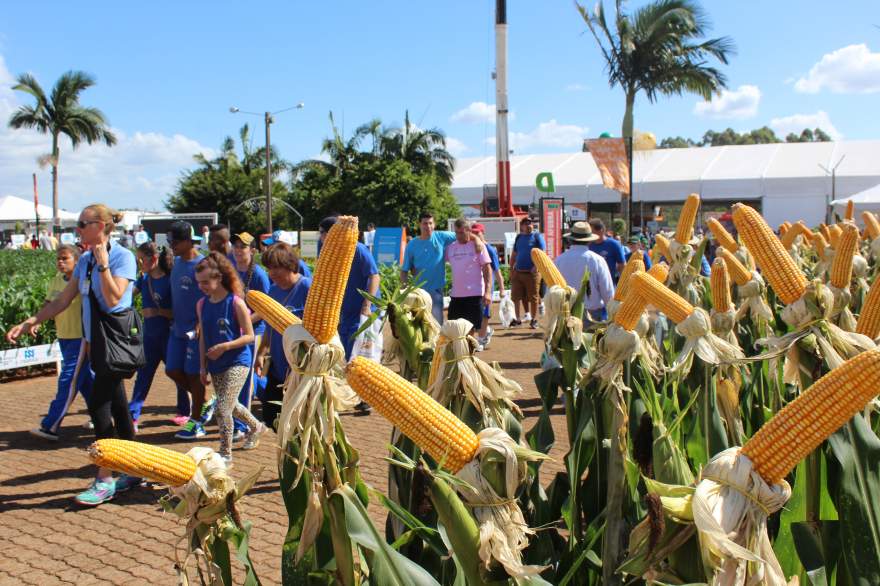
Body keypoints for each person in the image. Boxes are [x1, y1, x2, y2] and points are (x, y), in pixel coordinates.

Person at [7, 203, 139, 505]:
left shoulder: (122, 257)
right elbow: (63, 300)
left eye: (83, 223)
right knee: (118, 407)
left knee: (98, 405)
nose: (78, 228)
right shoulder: (85, 261)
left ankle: (105, 477)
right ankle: (134, 468)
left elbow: (115, 298)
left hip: (116, 345)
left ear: (101, 226)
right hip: (96, 346)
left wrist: (104, 265)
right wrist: (31, 321)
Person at [195, 253, 266, 464]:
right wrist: (202, 366)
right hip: (216, 363)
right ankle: (257, 426)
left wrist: (225, 346)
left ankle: (225, 453)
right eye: (199, 283)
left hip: (238, 361)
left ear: (220, 277)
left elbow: (250, 335)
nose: (202, 287)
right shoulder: (201, 304)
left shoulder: (236, 302)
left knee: (223, 407)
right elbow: (203, 338)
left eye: (206, 282)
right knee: (232, 405)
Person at [28, 244, 94, 440]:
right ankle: (101, 416)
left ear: (77, 261)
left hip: (80, 338)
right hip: (64, 336)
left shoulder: (83, 282)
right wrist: (36, 321)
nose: (60, 262)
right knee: (85, 382)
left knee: (68, 380)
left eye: (65, 258)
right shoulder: (57, 280)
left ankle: (51, 425)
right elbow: (50, 303)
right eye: (58, 258)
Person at [128, 242, 189, 430]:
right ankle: (133, 416)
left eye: (141, 259)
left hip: (170, 336)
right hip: (150, 338)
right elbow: (127, 296)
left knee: (177, 373)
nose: (139, 263)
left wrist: (158, 312)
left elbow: (180, 310)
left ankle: (185, 411)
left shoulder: (171, 280)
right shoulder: (143, 279)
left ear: (153, 259)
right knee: (143, 376)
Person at [253, 243, 311, 428]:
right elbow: (270, 326)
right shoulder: (273, 291)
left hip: (300, 371)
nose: (272, 273)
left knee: (299, 423)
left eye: (276, 267)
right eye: (269, 269)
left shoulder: (307, 288)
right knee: (271, 418)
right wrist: (261, 352)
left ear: (289, 264)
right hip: (278, 368)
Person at [165, 221, 213, 440]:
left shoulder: (203, 264)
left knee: (195, 375)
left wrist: (202, 323)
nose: (171, 245)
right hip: (177, 328)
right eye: (169, 241)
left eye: (174, 241)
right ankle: (205, 403)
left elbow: (211, 295)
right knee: (172, 370)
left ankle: (197, 422)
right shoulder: (175, 263)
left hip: (197, 330)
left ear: (187, 241)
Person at [317, 216, 380, 361]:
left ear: (332, 233)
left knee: (358, 358)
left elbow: (374, 276)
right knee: (346, 354)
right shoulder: (330, 252)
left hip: (362, 313)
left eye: (321, 232)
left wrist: (367, 305)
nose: (320, 237)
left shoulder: (358, 249)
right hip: (346, 313)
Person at [230, 231, 270, 440]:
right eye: (236, 246)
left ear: (253, 250)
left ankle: (243, 425)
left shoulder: (259, 275)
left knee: (244, 379)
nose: (238, 250)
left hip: (255, 331)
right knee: (241, 373)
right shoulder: (232, 270)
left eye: (243, 247)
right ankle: (270, 396)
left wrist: (243, 322)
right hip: (235, 330)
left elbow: (265, 309)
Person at [401, 212, 468, 324]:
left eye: (430, 223)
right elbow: (404, 270)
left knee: (437, 324)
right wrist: (403, 291)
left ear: (434, 224)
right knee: (420, 324)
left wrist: (477, 240)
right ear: (419, 224)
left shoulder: (441, 237)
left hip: (436, 290)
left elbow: (464, 232)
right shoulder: (412, 245)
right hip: (419, 292)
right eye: (425, 223)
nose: (428, 226)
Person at [555, 222, 615, 321]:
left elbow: (552, 289)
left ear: (571, 240)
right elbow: (607, 292)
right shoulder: (597, 260)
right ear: (589, 241)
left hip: (565, 315)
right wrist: (612, 315)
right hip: (592, 315)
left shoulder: (559, 260)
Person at [445, 219, 492, 342]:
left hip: (474, 295)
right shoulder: (451, 248)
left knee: (471, 331)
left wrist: (487, 292)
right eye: (456, 233)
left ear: (469, 231)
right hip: (456, 296)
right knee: (454, 328)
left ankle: (469, 356)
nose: (459, 236)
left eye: (461, 232)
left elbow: (487, 269)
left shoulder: (478, 247)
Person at [471, 223, 506, 348]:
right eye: (472, 233)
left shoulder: (489, 249)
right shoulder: (470, 247)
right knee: (475, 314)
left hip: (486, 287)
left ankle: (480, 340)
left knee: (485, 314)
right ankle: (485, 332)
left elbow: (497, 270)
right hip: (473, 288)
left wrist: (502, 289)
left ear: (482, 233)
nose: (474, 235)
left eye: (477, 233)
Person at [509, 216, 545, 329]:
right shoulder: (519, 237)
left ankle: (534, 320)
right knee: (516, 297)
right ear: (522, 226)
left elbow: (542, 253)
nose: (529, 225)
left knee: (533, 297)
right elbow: (514, 254)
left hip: (532, 273)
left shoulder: (537, 236)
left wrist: (536, 266)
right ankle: (517, 319)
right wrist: (511, 269)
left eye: (530, 223)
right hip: (518, 272)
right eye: (526, 223)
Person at [588, 218, 627, 283]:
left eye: (592, 231)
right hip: (591, 285)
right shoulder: (588, 245)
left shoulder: (614, 244)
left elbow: (622, 265)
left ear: (601, 230)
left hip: (609, 283)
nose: (590, 234)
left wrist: (622, 283)